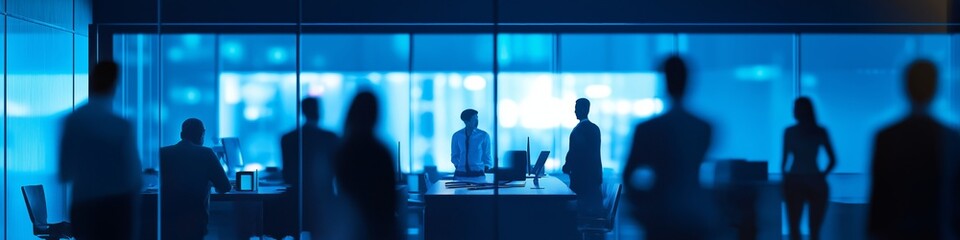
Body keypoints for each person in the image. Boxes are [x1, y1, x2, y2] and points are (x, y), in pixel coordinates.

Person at [622, 55, 716, 239]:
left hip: (661, 214)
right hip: (695, 213)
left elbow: (629, 175)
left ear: (663, 82)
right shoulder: (704, 127)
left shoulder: (647, 129)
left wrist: (642, 206)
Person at [868, 59, 960, 239]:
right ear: (936, 88)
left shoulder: (886, 136)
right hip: (938, 231)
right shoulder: (951, 138)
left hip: (896, 231)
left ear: (905, 87)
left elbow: (879, 196)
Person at [58, 60, 143, 240]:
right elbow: (134, 176)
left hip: (84, 205)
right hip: (118, 207)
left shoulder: (73, 121)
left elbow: (65, 173)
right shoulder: (121, 126)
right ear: (115, 85)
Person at [334, 91, 399, 240]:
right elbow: (389, 200)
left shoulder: (342, 150)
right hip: (378, 226)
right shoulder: (381, 152)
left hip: (349, 225)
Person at [275, 97, 341, 238]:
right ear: (320, 111)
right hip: (323, 202)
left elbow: (287, 174)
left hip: (295, 202)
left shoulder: (287, 138)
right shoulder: (331, 138)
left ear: (302, 111)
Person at [159, 118, 231, 240]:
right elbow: (225, 187)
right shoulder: (207, 153)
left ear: (181, 135)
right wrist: (210, 182)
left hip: (166, 221)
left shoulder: (163, 153)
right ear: (202, 135)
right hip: (195, 222)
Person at [782, 97, 837, 240]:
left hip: (796, 179)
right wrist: (821, 175)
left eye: (795, 108)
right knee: (814, 231)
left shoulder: (790, 132)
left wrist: (785, 181)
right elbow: (833, 160)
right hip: (815, 180)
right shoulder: (820, 131)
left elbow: (784, 161)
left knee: (794, 229)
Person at [562, 98, 603, 217]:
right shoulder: (594, 129)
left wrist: (567, 166)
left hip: (582, 181)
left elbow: (575, 152)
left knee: (575, 211)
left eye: (577, 108)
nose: (574, 111)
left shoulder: (579, 130)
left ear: (585, 109)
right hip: (593, 180)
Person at [451, 109, 492, 178]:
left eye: (477, 118)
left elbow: (487, 155)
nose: (477, 121)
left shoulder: (483, 135)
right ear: (466, 121)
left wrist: (484, 168)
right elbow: (454, 155)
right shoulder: (457, 136)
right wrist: (459, 166)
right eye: (474, 119)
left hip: (478, 174)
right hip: (460, 174)